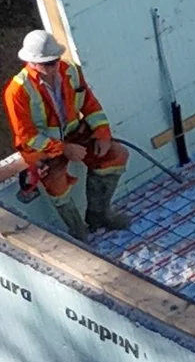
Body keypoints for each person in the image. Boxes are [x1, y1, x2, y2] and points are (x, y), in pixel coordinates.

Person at [5, 30, 131, 241]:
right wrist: (63, 149)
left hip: (75, 135)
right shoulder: (18, 91)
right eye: (47, 63)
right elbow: (27, 136)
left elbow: (89, 103)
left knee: (116, 156)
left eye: (55, 60)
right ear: (32, 62)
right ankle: (78, 230)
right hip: (42, 148)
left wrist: (102, 133)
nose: (54, 67)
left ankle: (99, 216)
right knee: (56, 183)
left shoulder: (70, 70)